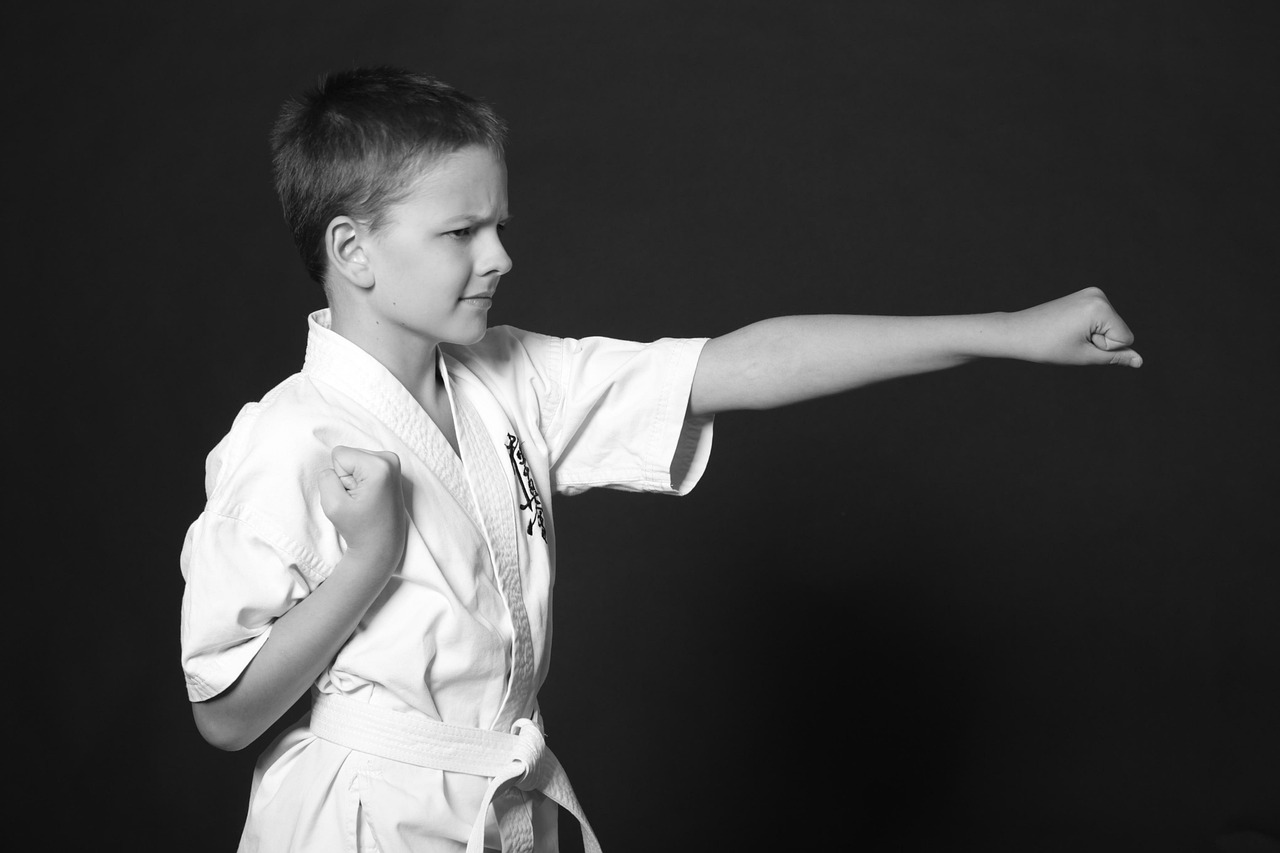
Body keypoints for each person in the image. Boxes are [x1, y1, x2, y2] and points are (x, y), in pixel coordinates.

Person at [179, 66, 1141, 853]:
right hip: (360, 821)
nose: (500, 255)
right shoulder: (290, 438)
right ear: (353, 250)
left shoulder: (509, 377)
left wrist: (1007, 330)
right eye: (462, 232)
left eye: (499, 224)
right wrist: (368, 560)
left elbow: (741, 365)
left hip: (494, 797)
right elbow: (224, 714)